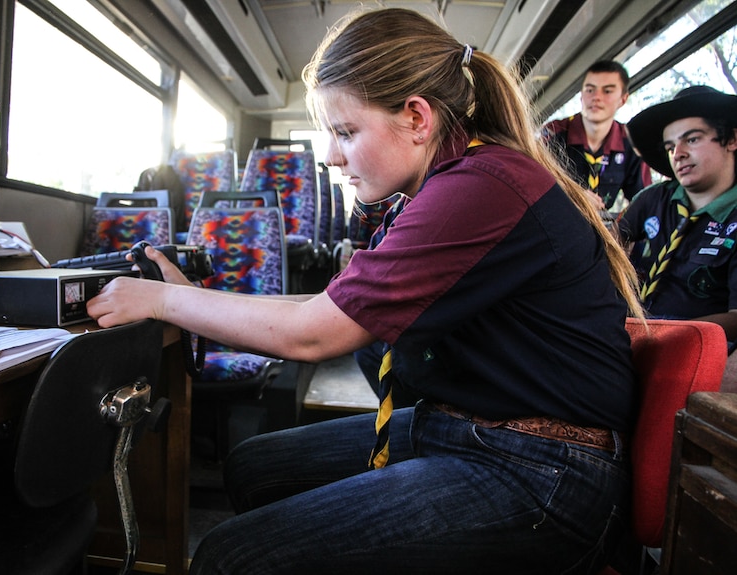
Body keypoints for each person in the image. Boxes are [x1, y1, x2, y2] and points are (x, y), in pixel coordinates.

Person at [88, 8, 646, 574]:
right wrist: (191, 300)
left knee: (229, 557)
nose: (331, 155)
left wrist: (162, 301)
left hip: (546, 469)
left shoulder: (480, 188)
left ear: (417, 117)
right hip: (468, 426)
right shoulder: (447, 184)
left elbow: (314, 334)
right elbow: (332, 305)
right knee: (255, 466)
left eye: (346, 131)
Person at [621, 86, 737, 367]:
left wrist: (662, 336)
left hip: (692, 356)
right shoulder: (653, 199)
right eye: (671, 147)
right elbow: (608, 244)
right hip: (623, 337)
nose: (679, 154)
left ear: (732, 139)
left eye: (692, 139)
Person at [542, 60, 651, 214]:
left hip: (600, 228)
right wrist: (570, 193)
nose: (596, 97)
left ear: (623, 99)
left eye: (607, 91)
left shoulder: (631, 142)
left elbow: (644, 202)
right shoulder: (553, 133)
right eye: (590, 90)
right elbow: (528, 180)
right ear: (581, 96)